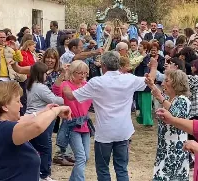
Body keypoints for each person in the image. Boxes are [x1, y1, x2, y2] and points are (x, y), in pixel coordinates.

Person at [62, 51, 158, 181]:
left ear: (103, 65)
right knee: (121, 168)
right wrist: (153, 66)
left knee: (103, 169)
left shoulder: (96, 82)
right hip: (123, 131)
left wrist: (65, 85)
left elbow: (70, 96)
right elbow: (150, 81)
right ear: (118, 65)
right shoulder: (129, 78)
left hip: (104, 133)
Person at [0, 81, 71, 181]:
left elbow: (23, 119)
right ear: (5, 107)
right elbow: (37, 126)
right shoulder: (5, 129)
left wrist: (44, 112)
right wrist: (57, 110)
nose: (21, 105)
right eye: (18, 101)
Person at [146, 69, 191, 180]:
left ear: (176, 83)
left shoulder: (183, 100)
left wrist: (160, 97)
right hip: (164, 146)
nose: (163, 83)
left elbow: (178, 114)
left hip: (176, 149)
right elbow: (161, 96)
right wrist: (152, 86)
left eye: (167, 80)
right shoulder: (171, 99)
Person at [53, 60, 93, 181]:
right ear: (72, 72)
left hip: (85, 123)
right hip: (72, 124)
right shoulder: (66, 84)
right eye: (80, 73)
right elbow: (56, 89)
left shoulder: (87, 85)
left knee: (85, 156)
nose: (82, 76)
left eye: (85, 73)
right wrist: (62, 74)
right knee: (80, 157)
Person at [26, 62, 64, 181]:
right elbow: (55, 100)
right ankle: (44, 174)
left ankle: (35, 171)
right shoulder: (40, 87)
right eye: (44, 73)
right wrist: (63, 96)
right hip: (42, 118)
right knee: (45, 147)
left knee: (34, 146)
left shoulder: (30, 85)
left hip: (31, 116)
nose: (46, 75)